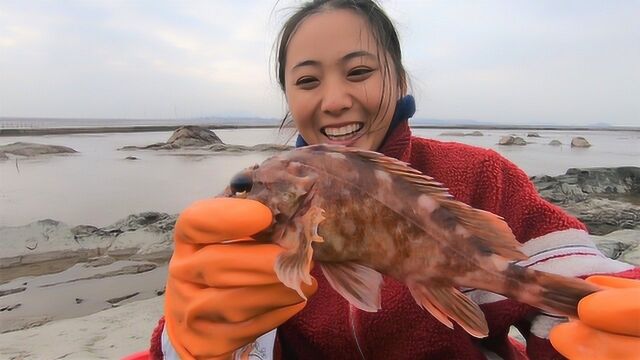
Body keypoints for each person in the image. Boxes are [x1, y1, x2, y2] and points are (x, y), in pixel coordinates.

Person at [146, 1, 640, 359]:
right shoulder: (248, 223)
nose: (335, 99)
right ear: (288, 96)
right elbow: (211, 321)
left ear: (399, 80)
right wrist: (187, 345)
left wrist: (609, 312)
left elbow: (576, 276)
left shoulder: (482, 176)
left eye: (359, 71)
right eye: (307, 80)